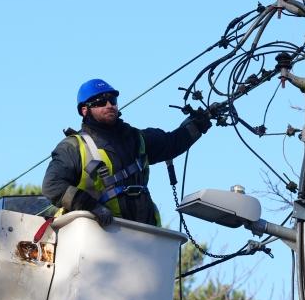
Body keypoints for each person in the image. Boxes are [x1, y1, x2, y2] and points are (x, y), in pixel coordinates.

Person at [42, 78, 212, 227]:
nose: (109, 105)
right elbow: (53, 186)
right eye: (101, 102)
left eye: (113, 100)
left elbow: (172, 143)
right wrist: (91, 207)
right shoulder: (73, 147)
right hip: (97, 237)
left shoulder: (137, 139)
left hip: (143, 236)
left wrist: (198, 124)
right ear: (85, 110)